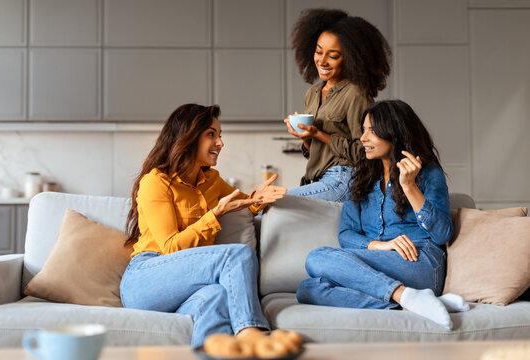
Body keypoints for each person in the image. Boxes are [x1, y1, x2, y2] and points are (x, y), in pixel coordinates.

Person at [120, 104, 287, 346]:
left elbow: (242, 203)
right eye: (211, 134)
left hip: (186, 289)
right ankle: (251, 333)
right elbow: (170, 247)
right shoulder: (156, 182)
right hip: (146, 279)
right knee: (236, 255)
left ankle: (212, 352)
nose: (220, 143)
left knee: (218, 296)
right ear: (188, 137)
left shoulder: (212, 180)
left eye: (220, 135)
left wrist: (257, 198)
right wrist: (214, 214)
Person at [296, 100, 469, 329]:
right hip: (377, 263)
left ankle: (410, 296)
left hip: (419, 261)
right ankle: (407, 300)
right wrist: (379, 245)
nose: (363, 138)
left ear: (394, 134)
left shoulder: (428, 173)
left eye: (372, 131)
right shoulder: (361, 178)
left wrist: (409, 187)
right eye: (364, 130)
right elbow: (346, 234)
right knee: (307, 289)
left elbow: (442, 234)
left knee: (317, 258)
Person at [284, 8, 391, 202]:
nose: (322, 61)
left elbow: (365, 151)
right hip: (315, 179)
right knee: (266, 208)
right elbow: (317, 153)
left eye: (333, 56)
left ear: (351, 59)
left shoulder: (356, 94)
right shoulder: (313, 93)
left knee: (270, 203)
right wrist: (306, 137)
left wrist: (318, 134)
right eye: (318, 52)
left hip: (344, 178)